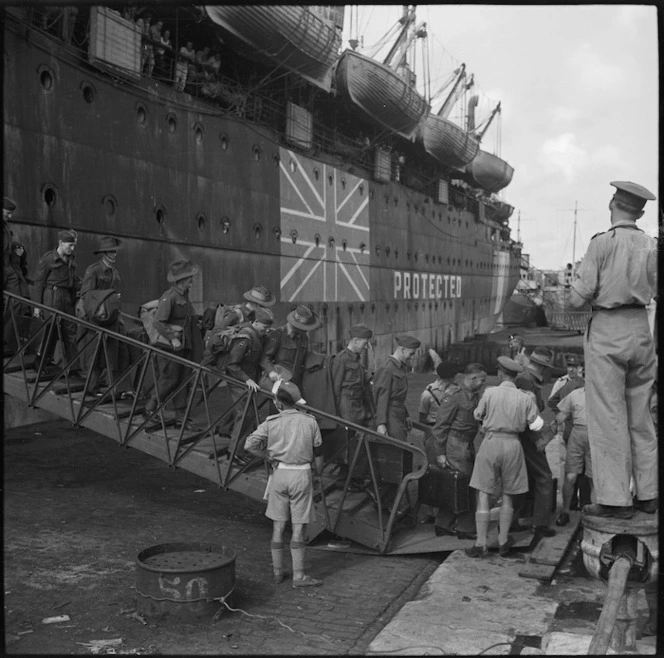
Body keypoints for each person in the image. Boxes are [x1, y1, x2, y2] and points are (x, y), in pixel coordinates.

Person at [570, 180, 657, 518]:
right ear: (640, 211)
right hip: (641, 329)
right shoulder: (651, 244)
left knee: (608, 417)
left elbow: (578, 297)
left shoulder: (602, 243)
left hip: (608, 329)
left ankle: (614, 499)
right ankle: (649, 495)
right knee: (641, 416)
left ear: (613, 204)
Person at [244, 381, 324, 588]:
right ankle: (299, 576)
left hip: (279, 475)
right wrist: (318, 475)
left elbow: (249, 445)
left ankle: (278, 571)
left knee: (278, 526)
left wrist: (269, 458)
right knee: (298, 528)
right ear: (297, 401)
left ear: (278, 402)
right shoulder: (310, 422)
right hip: (301, 475)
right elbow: (318, 454)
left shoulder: (271, 422)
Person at [466, 357, 544, 558]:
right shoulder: (525, 397)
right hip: (513, 444)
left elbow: (477, 415)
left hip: (491, 441)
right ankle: (503, 542)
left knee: (484, 492)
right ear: (516, 376)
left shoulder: (489, 393)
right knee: (509, 493)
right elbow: (536, 425)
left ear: (499, 373)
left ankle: (481, 543)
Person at [142, 260, 203, 428]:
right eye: (190, 277)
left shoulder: (184, 296)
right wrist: (172, 338)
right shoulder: (170, 296)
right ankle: (149, 409)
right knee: (169, 379)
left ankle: (180, 418)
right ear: (182, 280)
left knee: (183, 380)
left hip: (185, 346)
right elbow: (158, 322)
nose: (192, 280)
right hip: (170, 348)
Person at [429, 363, 487, 538]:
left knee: (454, 486)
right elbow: (440, 426)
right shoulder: (454, 396)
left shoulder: (474, 396)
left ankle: (443, 524)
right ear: (473, 378)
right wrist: (440, 453)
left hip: (465, 444)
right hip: (455, 445)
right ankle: (465, 528)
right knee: (465, 486)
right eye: (481, 380)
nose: (483, 383)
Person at [513, 345, 557, 539]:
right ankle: (540, 524)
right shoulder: (527, 381)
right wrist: (540, 438)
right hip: (527, 435)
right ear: (545, 367)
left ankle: (518, 518)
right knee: (545, 477)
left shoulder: (526, 377)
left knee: (522, 477)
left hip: (522, 435)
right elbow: (526, 415)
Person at [78, 236, 127, 396]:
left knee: (109, 355)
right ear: (104, 253)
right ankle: (90, 388)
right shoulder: (93, 271)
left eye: (115, 252)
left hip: (111, 319)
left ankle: (113, 389)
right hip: (96, 320)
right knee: (95, 354)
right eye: (111, 252)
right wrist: (105, 300)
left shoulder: (115, 273)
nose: (114, 255)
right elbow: (86, 295)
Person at [225, 306, 274, 462]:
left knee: (248, 416)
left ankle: (239, 451)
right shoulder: (245, 337)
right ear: (256, 322)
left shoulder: (257, 335)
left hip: (248, 381)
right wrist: (247, 379)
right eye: (265, 327)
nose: (266, 331)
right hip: (239, 380)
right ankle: (233, 453)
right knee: (245, 415)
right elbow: (232, 364)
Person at [330, 323, 375, 491]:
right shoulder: (342, 359)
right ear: (355, 340)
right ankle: (346, 478)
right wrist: (335, 412)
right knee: (349, 442)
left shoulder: (355, 358)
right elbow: (335, 387)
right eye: (364, 343)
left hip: (357, 404)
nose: (366, 347)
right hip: (346, 405)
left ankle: (354, 476)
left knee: (356, 441)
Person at [32, 229, 81, 374]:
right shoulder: (48, 259)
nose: (72, 249)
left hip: (67, 297)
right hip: (52, 296)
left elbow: (72, 281)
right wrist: (37, 307)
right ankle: (40, 362)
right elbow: (38, 283)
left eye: (74, 246)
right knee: (51, 330)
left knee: (70, 332)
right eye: (70, 245)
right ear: (60, 242)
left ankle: (74, 368)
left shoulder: (71, 260)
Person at [548, 353, 588, 509]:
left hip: (570, 429)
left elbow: (553, 402)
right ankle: (583, 503)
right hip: (579, 430)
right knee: (583, 471)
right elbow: (553, 401)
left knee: (570, 470)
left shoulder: (569, 385)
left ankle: (569, 505)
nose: (572, 369)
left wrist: (564, 415)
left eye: (575, 366)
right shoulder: (571, 384)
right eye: (570, 366)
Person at [553, 384, 593, 526]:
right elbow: (562, 415)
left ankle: (592, 514)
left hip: (596, 435)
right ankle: (565, 512)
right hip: (577, 435)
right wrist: (550, 432)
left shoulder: (603, 394)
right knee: (570, 476)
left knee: (593, 477)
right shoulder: (575, 394)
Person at [261, 305, 321, 391]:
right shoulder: (278, 334)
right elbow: (265, 358)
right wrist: (271, 371)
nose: (305, 330)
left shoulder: (304, 337)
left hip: (294, 383)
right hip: (276, 382)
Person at [374, 335, 420, 441]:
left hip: (398, 414)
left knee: (401, 449)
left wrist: (406, 415)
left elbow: (398, 397)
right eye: (411, 353)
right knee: (396, 449)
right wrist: (380, 424)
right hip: (390, 416)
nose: (412, 357)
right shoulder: (387, 369)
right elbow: (380, 398)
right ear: (403, 350)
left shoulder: (398, 368)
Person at [3, 241, 32, 356]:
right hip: (13, 302)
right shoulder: (9, 268)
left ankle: (18, 349)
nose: (21, 250)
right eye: (17, 248)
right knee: (10, 327)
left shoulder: (18, 266)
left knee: (20, 327)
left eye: (22, 248)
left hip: (21, 302)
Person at [418, 361, 460, 425]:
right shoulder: (429, 393)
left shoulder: (458, 390)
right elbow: (422, 418)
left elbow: (422, 417)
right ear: (452, 377)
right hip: (433, 427)